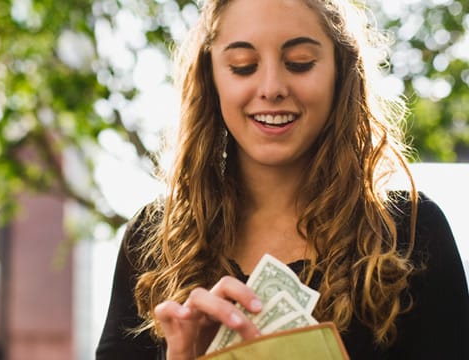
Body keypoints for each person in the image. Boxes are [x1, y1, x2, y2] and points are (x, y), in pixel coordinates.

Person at [96, 0, 469, 359]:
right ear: (212, 78)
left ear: (341, 71)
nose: (272, 87)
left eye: (299, 63)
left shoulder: (410, 232)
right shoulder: (154, 239)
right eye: (243, 66)